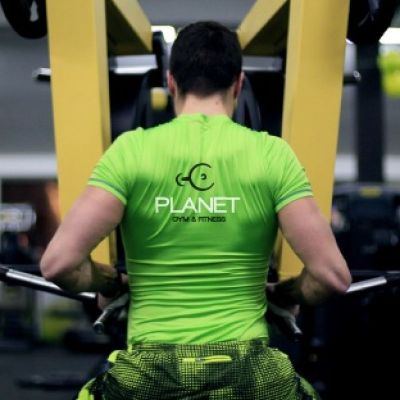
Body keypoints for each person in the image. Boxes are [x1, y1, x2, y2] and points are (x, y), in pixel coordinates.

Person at [40, 21, 351, 400]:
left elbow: (58, 264)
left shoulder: (130, 151)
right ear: (238, 83)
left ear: (171, 82)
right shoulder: (273, 155)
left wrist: (112, 284)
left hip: (149, 375)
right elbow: (331, 276)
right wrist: (286, 294)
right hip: (249, 375)